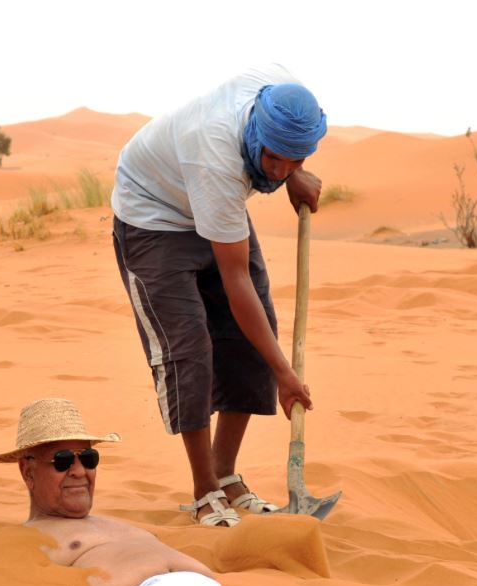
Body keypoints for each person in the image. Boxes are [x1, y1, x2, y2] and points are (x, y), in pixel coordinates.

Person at [111, 64, 326, 527]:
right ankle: (204, 488)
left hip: (208, 205)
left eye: (297, 157)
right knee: (189, 350)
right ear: (253, 133)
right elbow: (237, 283)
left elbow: (284, 149)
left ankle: (226, 475)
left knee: (250, 343)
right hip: (154, 215)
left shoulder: (283, 95)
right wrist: (285, 373)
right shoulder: (216, 158)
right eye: (273, 158)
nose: (281, 168)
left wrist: (291, 174)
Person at [0, 398, 224, 586]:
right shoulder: (26, 538)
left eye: (89, 459)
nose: (79, 471)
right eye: (63, 461)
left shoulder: (112, 523)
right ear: (28, 471)